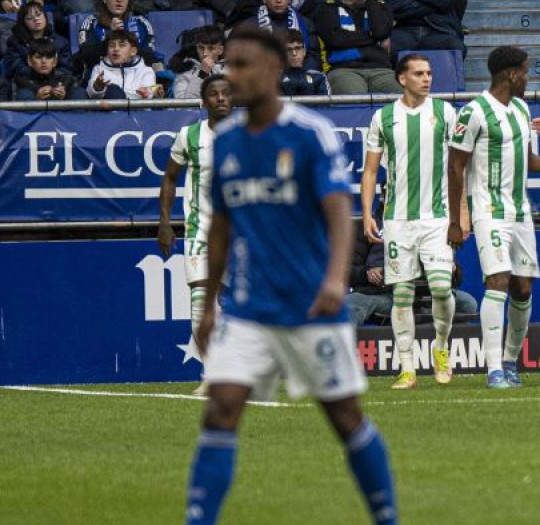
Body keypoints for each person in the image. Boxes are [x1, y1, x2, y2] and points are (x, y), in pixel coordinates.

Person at [185, 28, 397, 525]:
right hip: (248, 308)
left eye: (243, 65)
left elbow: (337, 211)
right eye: (229, 65)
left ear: (274, 69)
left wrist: (332, 281)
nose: (233, 75)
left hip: (310, 306)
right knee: (221, 409)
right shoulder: (228, 142)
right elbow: (220, 229)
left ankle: (387, 518)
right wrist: (211, 306)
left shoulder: (308, 133)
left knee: (345, 417)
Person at [446, 46, 540, 389]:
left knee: (523, 287)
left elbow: (529, 161)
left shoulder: (519, 109)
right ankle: (493, 370)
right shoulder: (473, 112)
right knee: (498, 280)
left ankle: (509, 360)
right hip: (488, 210)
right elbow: (455, 166)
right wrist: (457, 219)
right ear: (511, 74)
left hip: (520, 212)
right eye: (525, 72)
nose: (528, 78)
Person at [360, 53, 459, 390]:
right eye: (419, 74)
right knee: (401, 293)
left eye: (429, 73)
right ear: (402, 79)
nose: (427, 79)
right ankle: (406, 368)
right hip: (397, 220)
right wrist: (366, 214)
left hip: (437, 218)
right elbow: (371, 170)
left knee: (443, 289)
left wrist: (462, 213)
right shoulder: (383, 117)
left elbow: (458, 166)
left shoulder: (445, 112)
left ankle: (441, 349)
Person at [156, 74, 232, 397]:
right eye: (213, 94)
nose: (221, 99)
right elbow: (170, 178)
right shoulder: (188, 136)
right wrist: (164, 222)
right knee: (201, 301)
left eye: (226, 94)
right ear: (204, 102)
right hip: (200, 229)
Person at [312, 0, 400, 94]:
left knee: (405, 96)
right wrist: (372, 38)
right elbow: (336, 39)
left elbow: (380, 32)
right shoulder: (327, 7)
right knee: (354, 97)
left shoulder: (380, 5)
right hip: (343, 69)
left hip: (380, 68)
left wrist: (371, 3)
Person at [229, 0, 321, 71]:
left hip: (300, 81)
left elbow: (313, 56)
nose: (279, 1)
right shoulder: (248, 27)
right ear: (264, 0)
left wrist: (297, 75)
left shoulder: (305, 24)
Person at [76, 0, 160, 72]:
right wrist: (110, 35)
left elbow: (149, 57)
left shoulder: (142, 23)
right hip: (100, 80)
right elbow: (87, 57)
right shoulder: (91, 22)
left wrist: (125, 38)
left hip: (135, 81)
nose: (119, 0)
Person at [3, 2, 71, 83]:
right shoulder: (15, 42)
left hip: (56, 82)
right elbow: (17, 69)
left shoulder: (61, 42)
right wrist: (40, 76)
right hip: (26, 83)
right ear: (23, 22)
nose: (36, 19)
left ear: (45, 17)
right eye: (29, 18)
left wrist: (54, 83)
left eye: (39, 15)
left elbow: (65, 68)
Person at [86, 30, 160, 99]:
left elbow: (151, 90)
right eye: (112, 45)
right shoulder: (99, 69)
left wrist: (150, 91)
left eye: (121, 45)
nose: (116, 49)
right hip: (109, 112)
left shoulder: (145, 71)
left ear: (133, 51)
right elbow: (91, 94)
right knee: (113, 91)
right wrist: (97, 88)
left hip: (138, 112)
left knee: (114, 92)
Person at [346, 220, 390, 327]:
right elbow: (348, 273)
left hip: (402, 293)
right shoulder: (364, 227)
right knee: (348, 304)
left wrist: (388, 272)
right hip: (369, 294)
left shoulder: (418, 224)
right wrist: (367, 273)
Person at [13, 39, 87, 100]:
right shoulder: (20, 82)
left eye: (48, 57)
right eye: (38, 57)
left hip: (64, 117)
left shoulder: (67, 80)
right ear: (29, 60)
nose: (44, 61)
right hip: (32, 117)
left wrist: (64, 99)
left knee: (80, 92)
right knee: (24, 94)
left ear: (55, 61)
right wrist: (36, 100)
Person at [388, 0, 466, 54]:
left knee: (455, 47)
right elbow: (393, 6)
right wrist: (435, 6)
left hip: (439, 29)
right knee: (389, 48)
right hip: (404, 28)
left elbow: (444, 2)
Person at [174, 25, 225, 99]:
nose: (205, 53)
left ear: (220, 50)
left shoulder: (233, 71)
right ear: (196, 48)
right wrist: (201, 75)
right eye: (201, 48)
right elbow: (183, 107)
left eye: (211, 48)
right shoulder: (184, 73)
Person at [280, 28, 330, 95]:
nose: (294, 53)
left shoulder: (319, 77)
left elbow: (326, 104)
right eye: (289, 50)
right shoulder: (274, 79)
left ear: (304, 51)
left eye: (297, 48)